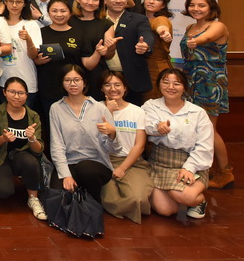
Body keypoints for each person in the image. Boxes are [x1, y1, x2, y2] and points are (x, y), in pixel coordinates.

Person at [144, 68, 213, 219]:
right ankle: (177, 194)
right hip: (160, 163)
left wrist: (189, 168)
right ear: (159, 85)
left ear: (184, 87)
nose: (171, 87)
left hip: (191, 162)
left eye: (177, 83)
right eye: (166, 82)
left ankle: (199, 201)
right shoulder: (150, 106)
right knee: (166, 210)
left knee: (186, 197)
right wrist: (157, 127)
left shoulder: (197, 112)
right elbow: (146, 125)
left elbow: (205, 146)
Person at [180, 0, 233, 189]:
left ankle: (225, 172)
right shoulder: (190, 27)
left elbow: (206, 38)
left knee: (209, 129)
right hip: (190, 79)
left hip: (210, 81)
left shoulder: (217, 26)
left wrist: (197, 41)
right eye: (192, 5)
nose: (196, 9)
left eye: (201, 5)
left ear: (211, 8)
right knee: (193, 127)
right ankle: (201, 168)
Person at [49, 65, 120, 203]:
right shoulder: (56, 108)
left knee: (85, 169)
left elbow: (114, 149)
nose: (73, 84)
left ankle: (94, 204)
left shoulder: (99, 108)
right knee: (56, 198)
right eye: (67, 80)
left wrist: (112, 134)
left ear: (84, 82)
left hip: (96, 164)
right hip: (69, 163)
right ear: (62, 84)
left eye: (77, 80)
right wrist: (66, 175)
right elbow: (56, 144)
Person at [33, 0, 105, 123]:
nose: (59, 14)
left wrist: (97, 52)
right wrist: (39, 60)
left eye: (63, 11)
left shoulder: (79, 34)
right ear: (48, 13)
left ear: (70, 13)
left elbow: (88, 65)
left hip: (73, 88)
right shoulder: (40, 33)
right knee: (52, 125)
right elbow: (34, 60)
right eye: (54, 11)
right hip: (48, 87)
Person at [0, 77, 48, 220]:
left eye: (21, 93)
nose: (16, 96)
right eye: (12, 92)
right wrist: (3, 139)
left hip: (21, 156)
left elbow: (38, 149)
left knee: (30, 162)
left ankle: (33, 198)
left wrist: (32, 138)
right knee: (3, 192)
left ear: (27, 95)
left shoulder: (33, 116)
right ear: (4, 92)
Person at [98, 70, 153, 223]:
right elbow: (94, 140)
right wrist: (108, 112)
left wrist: (122, 168)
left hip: (132, 161)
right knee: (110, 199)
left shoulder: (137, 111)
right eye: (107, 85)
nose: (113, 89)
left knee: (138, 199)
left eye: (117, 85)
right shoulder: (95, 108)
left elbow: (140, 145)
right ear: (102, 89)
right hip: (104, 161)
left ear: (125, 88)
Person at [101, 0, 154, 104]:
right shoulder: (97, 19)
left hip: (131, 79)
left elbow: (146, 34)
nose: (118, 1)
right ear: (105, 0)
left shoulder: (138, 19)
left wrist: (145, 45)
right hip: (102, 76)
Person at [69, 0, 115, 98]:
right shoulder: (68, 21)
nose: (90, 2)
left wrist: (109, 48)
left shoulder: (106, 24)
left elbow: (108, 55)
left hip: (96, 73)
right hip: (71, 71)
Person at [1, 0, 42, 110]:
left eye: (18, 2)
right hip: (3, 80)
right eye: (11, 1)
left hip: (26, 79)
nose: (14, 5)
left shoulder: (31, 24)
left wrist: (28, 39)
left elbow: (34, 55)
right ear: (5, 2)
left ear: (24, 4)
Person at [142, 0, 175, 98]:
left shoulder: (160, 19)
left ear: (163, 5)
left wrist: (163, 32)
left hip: (155, 68)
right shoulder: (141, 19)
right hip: (143, 67)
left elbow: (161, 26)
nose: (151, 1)